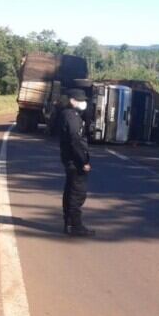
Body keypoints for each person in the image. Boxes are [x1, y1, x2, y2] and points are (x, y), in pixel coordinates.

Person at [60, 89, 95, 237]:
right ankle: (76, 226)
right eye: (80, 100)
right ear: (72, 101)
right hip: (75, 161)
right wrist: (83, 162)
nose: (83, 103)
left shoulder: (69, 115)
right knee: (77, 194)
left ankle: (68, 224)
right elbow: (75, 141)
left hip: (70, 160)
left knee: (70, 192)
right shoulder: (72, 117)